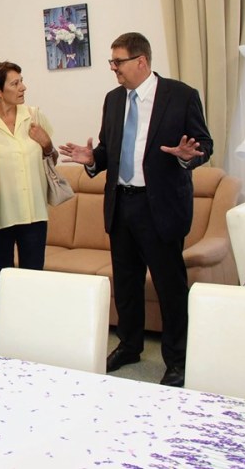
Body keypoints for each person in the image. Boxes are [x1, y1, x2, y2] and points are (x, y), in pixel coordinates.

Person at [59, 32, 213, 388]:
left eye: (118, 62)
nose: (113, 68)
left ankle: (177, 360)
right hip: (121, 204)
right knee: (126, 284)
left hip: (160, 207)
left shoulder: (181, 95)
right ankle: (129, 346)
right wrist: (92, 159)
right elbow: (107, 150)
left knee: (169, 287)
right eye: (111, 62)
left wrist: (189, 156)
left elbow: (205, 144)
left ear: (141, 61)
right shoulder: (113, 100)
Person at [0, 61, 56, 305]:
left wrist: (47, 144)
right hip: (0, 214)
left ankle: (33, 326)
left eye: (21, 81)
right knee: (3, 280)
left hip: (34, 213)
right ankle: (5, 326)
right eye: (15, 83)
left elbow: (51, 158)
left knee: (34, 279)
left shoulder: (33, 115)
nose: (23, 87)